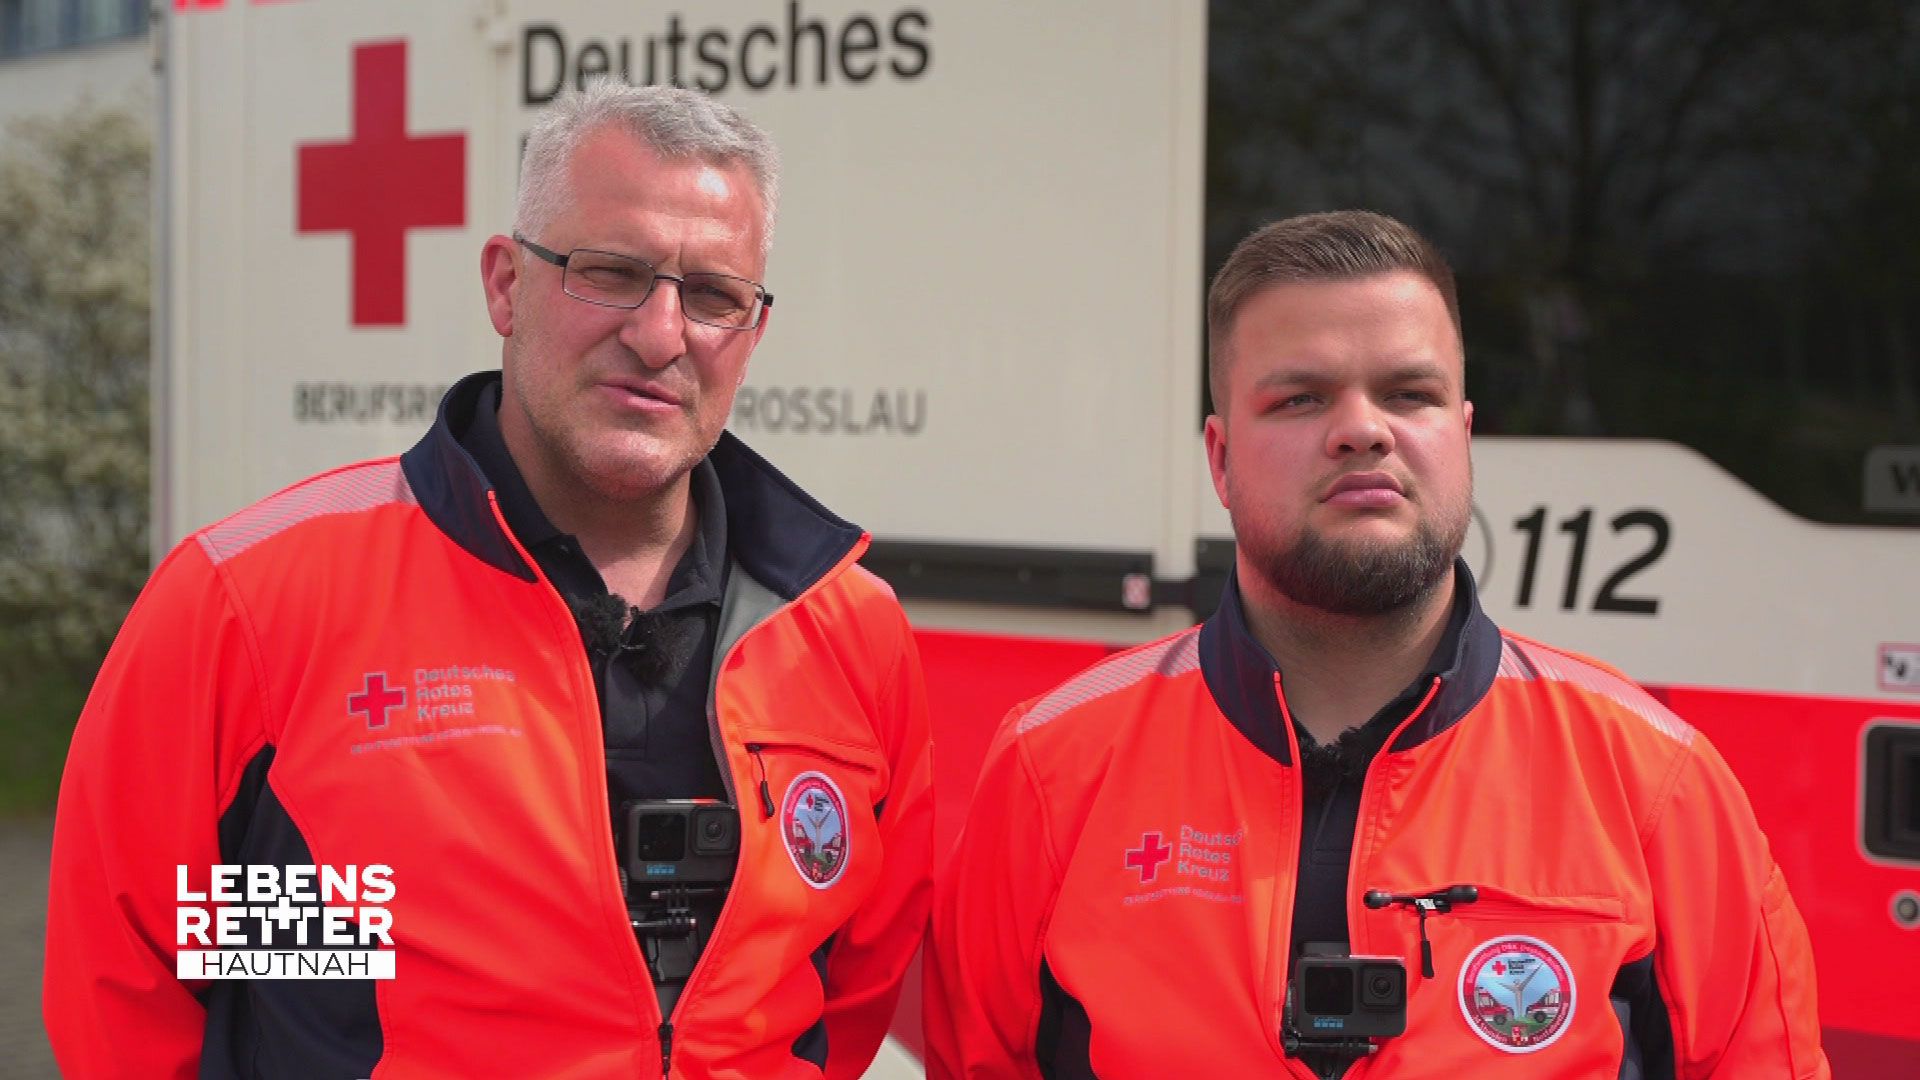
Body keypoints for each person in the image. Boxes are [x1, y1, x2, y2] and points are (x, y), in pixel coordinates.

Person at [44, 82, 932, 1079]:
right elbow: (132, 978)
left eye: (715, 297)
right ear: (507, 286)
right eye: (612, 273)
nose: (661, 334)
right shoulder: (248, 602)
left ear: (752, 334)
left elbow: (848, 992)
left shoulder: (852, 632)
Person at [925, 210, 1828, 1078]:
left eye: (1408, 394)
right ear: (1221, 460)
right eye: (1300, 398)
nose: (1362, 428)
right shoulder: (1052, 772)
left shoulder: (1654, 784)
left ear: (1463, 437)